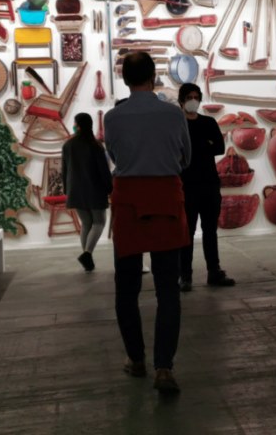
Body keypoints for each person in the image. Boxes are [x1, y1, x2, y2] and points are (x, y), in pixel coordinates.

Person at [104, 51, 191, 394]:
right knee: (168, 288)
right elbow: (185, 158)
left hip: (128, 200)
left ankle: (136, 358)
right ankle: (164, 367)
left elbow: (114, 156)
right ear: (154, 77)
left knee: (127, 289)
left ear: (125, 79)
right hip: (166, 197)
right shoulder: (173, 114)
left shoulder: (113, 118)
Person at [177, 83, 234, 289]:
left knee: (210, 230)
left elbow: (219, 147)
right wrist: (204, 144)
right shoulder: (178, 125)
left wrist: (194, 146)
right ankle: (185, 275)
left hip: (209, 184)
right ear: (181, 101)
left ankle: (214, 271)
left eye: (196, 97)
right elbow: (178, 150)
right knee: (188, 232)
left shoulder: (208, 122)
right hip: (187, 185)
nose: (193, 101)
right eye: (189, 97)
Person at [61, 112, 112, 272]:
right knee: (99, 222)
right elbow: (103, 170)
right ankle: (87, 254)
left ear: (78, 125)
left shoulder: (67, 145)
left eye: (75, 123)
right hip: (94, 188)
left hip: (75, 190)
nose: (74, 126)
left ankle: (87, 260)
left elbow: (64, 170)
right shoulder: (95, 145)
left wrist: (67, 190)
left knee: (86, 224)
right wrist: (109, 187)